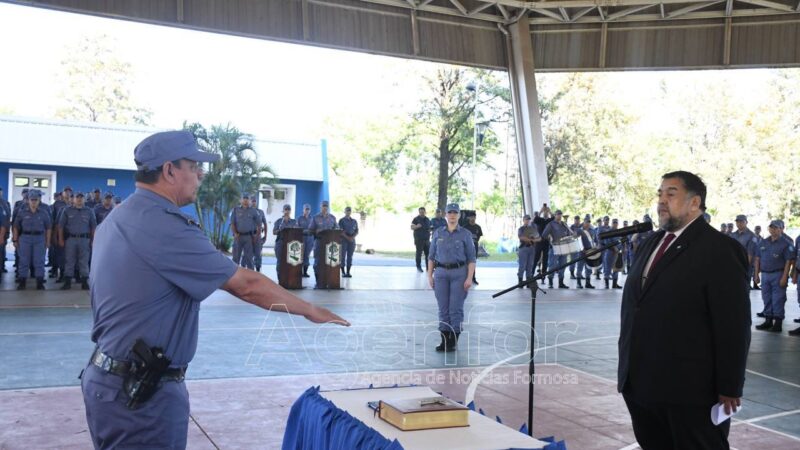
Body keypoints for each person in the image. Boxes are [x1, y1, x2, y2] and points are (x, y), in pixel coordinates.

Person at [80, 130, 349, 450]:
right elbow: (247, 285)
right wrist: (311, 310)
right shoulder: (163, 225)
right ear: (169, 171)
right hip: (141, 397)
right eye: (194, 166)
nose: (201, 174)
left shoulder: (119, 217)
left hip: (110, 382)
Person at [618, 171, 750, 450]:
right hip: (641, 383)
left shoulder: (720, 250)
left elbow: (733, 324)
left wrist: (730, 385)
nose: (662, 200)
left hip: (690, 392)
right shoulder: (652, 243)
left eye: (671, 193)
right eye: (660, 193)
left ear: (694, 203)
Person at [428, 203, 475, 353]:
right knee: (443, 309)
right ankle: (444, 340)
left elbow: (471, 259)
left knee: (455, 308)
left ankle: (453, 340)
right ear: (445, 215)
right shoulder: (438, 233)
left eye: (455, 213)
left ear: (459, 215)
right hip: (441, 273)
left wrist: (469, 278)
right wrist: (430, 275)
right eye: (450, 213)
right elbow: (431, 256)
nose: (452, 215)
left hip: (459, 273)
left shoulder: (465, 234)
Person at [753, 220, 795, 333]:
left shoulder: (786, 243)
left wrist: (785, 276)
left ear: (782, 229)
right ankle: (768, 320)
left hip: (778, 274)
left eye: (776, 228)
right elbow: (757, 258)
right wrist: (756, 274)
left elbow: (789, 261)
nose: (773, 230)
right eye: (771, 227)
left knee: (778, 299)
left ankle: (778, 323)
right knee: (766, 298)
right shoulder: (763, 242)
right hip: (765, 274)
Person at [12, 189, 51, 290]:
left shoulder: (44, 213)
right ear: (28, 200)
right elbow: (15, 226)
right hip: (25, 238)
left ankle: (39, 282)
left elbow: (48, 228)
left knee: (39, 261)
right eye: (32, 200)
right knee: (24, 260)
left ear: (39, 201)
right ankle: (22, 282)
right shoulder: (22, 212)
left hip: (40, 239)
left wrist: (48, 241)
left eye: (36, 200)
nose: (34, 202)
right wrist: (15, 240)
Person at [58, 192, 97, 290]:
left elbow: (93, 227)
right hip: (70, 239)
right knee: (69, 260)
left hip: (84, 239)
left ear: (84, 199)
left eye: (81, 197)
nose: (79, 199)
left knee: (84, 261)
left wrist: (93, 240)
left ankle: (84, 282)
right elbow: (60, 227)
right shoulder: (67, 210)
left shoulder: (89, 211)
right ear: (73, 199)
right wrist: (61, 239)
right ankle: (67, 282)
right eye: (77, 197)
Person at [309, 200, 337, 287]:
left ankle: (329, 281)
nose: (325, 207)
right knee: (318, 263)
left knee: (330, 263)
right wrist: (317, 231)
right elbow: (310, 230)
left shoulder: (332, 218)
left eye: (326, 206)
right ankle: (318, 282)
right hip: (319, 243)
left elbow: (337, 229)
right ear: (320, 207)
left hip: (330, 244)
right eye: (323, 206)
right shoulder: (315, 217)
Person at [541, 209, 571, 289]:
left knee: (563, 265)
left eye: (560, 214)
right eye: (558, 214)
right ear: (555, 215)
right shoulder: (550, 224)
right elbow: (544, 235)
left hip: (564, 248)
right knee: (552, 265)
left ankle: (561, 283)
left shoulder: (564, 224)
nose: (559, 216)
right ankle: (550, 281)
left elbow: (569, 234)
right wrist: (549, 237)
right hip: (554, 247)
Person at [230, 193, 261, 270]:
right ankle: (234, 278)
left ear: (249, 201)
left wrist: (256, 236)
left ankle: (250, 278)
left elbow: (259, 224)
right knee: (235, 259)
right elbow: (232, 223)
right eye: (244, 198)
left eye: (247, 199)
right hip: (238, 237)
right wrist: (235, 233)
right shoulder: (236, 210)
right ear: (241, 200)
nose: (245, 200)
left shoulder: (253, 211)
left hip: (249, 238)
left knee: (249, 259)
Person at [273, 204, 297, 280]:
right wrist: (279, 229)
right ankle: (280, 279)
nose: (287, 211)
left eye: (288, 209)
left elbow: (297, 232)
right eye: (285, 209)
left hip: (290, 244)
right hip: (280, 243)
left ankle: (289, 279)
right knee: (280, 262)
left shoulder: (294, 222)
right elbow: (274, 232)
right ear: (283, 211)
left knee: (290, 262)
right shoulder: (279, 221)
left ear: (290, 211)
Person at [517, 214, 541, 288]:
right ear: (523, 220)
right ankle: (520, 281)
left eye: (529, 219)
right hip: (523, 248)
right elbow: (521, 237)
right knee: (522, 266)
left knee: (530, 266)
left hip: (532, 249)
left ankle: (528, 282)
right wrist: (532, 240)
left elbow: (539, 238)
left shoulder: (533, 229)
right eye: (526, 219)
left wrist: (533, 240)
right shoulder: (521, 229)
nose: (528, 221)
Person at [533, 204, 554, 279]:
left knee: (545, 259)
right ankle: (531, 275)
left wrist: (550, 211)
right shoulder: (540, 220)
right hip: (539, 242)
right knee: (536, 258)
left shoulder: (549, 221)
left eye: (546, 212)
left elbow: (554, 218)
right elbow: (535, 219)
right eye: (544, 212)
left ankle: (543, 274)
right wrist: (541, 211)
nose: (545, 213)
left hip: (546, 242)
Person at [601, 218, 623, 289]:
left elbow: (621, 240)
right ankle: (606, 285)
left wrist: (621, 248)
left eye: (616, 222)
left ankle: (614, 284)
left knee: (616, 268)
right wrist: (614, 248)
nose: (615, 224)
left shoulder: (619, 231)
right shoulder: (609, 231)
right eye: (614, 222)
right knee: (608, 268)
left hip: (617, 253)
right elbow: (607, 242)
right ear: (611, 223)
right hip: (610, 252)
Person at [462, 212, 483, 285]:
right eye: (471, 217)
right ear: (468, 218)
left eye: (474, 217)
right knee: (465, 263)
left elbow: (479, 236)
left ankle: (473, 278)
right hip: (466, 248)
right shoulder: (465, 227)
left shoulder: (478, 227)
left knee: (473, 262)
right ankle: (464, 278)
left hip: (474, 248)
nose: (472, 218)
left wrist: (474, 243)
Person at [575, 217, 596, 289]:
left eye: (589, 222)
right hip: (582, 251)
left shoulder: (592, 230)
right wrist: (582, 248)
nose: (588, 223)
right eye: (586, 222)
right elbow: (577, 240)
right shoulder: (579, 230)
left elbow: (594, 240)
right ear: (583, 222)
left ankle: (588, 283)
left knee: (589, 268)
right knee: (579, 267)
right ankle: (578, 283)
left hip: (590, 251)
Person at [338, 206, 358, 278]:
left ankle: (348, 272)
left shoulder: (354, 221)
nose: (348, 212)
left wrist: (352, 237)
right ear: (344, 212)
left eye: (349, 211)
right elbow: (340, 231)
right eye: (347, 211)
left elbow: (357, 231)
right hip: (343, 240)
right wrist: (348, 237)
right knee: (342, 256)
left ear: (350, 212)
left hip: (352, 240)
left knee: (350, 256)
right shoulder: (341, 220)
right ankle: (343, 272)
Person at [411, 207, 432, 273]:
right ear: (419, 212)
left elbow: (430, 227)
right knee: (419, 254)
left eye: (423, 212)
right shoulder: (416, 219)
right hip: (419, 239)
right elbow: (412, 227)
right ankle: (418, 267)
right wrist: (417, 226)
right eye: (420, 212)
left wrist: (430, 230)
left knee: (428, 254)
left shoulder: (427, 219)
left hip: (427, 240)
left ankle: (428, 268)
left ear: (425, 212)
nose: (422, 213)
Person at [296, 204, 314, 278]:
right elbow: (297, 229)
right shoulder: (299, 218)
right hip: (301, 238)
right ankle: (299, 271)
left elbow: (313, 229)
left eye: (308, 209)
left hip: (310, 239)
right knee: (300, 255)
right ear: (303, 210)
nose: (307, 211)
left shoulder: (312, 219)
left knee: (307, 255)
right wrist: (306, 231)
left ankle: (305, 272)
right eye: (306, 209)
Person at [0, 187, 12, 274]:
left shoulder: (5, 203)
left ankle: (1, 267)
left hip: (2, 231)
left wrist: (7, 232)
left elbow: (7, 219)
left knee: (1, 251)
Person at [254, 204, 268, 272]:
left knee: (258, 254)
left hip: (258, 236)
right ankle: (249, 270)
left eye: (254, 201)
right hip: (248, 236)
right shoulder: (246, 211)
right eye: (252, 201)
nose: (253, 203)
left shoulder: (261, 212)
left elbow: (265, 224)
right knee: (248, 254)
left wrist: (265, 235)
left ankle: (258, 269)